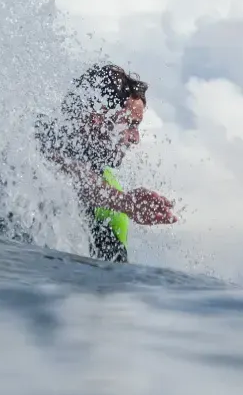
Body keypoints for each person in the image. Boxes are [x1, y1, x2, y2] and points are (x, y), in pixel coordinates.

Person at [35, 62, 177, 263]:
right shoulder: (37, 134)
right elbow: (68, 172)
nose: (135, 138)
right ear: (98, 117)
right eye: (130, 125)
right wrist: (126, 202)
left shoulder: (108, 198)